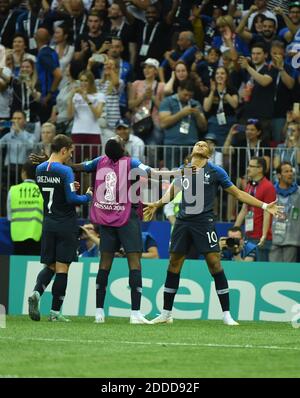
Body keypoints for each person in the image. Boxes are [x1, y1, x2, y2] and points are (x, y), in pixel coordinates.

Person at [143, 141, 283, 325]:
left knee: (214, 264)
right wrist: (157, 204)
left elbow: (239, 194)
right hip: (183, 222)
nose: (200, 145)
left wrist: (265, 205)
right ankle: (166, 313)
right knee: (174, 264)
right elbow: (173, 192)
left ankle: (226, 315)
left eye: (204, 145)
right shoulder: (183, 169)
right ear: (192, 150)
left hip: (204, 223)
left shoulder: (216, 171)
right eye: (197, 144)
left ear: (208, 154)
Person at [71, 136, 179, 324]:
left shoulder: (99, 161)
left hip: (106, 219)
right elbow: (153, 173)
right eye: (121, 141)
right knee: (134, 264)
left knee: (104, 264)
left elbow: (79, 166)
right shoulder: (131, 163)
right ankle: (135, 313)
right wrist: (178, 173)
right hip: (127, 219)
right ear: (122, 149)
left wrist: (54, 162)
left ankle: (98, 313)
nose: (123, 140)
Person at [28, 134, 93, 322]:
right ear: (63, 150)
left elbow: (53, 191)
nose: (70, 157)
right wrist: (87, 196)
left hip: (48, 223)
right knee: (62, 268)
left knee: (50, 265)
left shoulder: (40, 169)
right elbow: (72, 199)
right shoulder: (65, 171)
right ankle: (55, 313)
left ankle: (36, 293)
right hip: (65, 224)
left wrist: (68, 187)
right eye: (70, 152)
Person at [234, 157, 276, 261]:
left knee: (261, 270)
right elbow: (244, 209)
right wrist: (234, 229)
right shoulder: (249, 185)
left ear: (260, 169)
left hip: (261, 237)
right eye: (248, 165)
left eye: (251, 166)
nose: (248, 168)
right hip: (248, 234)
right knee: (249, 269)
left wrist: (264, 235)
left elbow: (268, 212)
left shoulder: (268, 187)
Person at [7, 161, 43, 255]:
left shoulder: (13, 190)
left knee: (19, 267)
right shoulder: (42, 191)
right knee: (34, 267)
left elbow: (9, 216)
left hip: (17, 235)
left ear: (23, 172)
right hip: (36, 235)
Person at [270, 162, 300, 262]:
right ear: (279, 175)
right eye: (286, 171)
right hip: (274, 238)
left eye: (291, 171)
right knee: (273, 272)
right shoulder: (271, 191)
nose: (290, 174)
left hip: (292, 239)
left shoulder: (298, 192)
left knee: (288, 274)